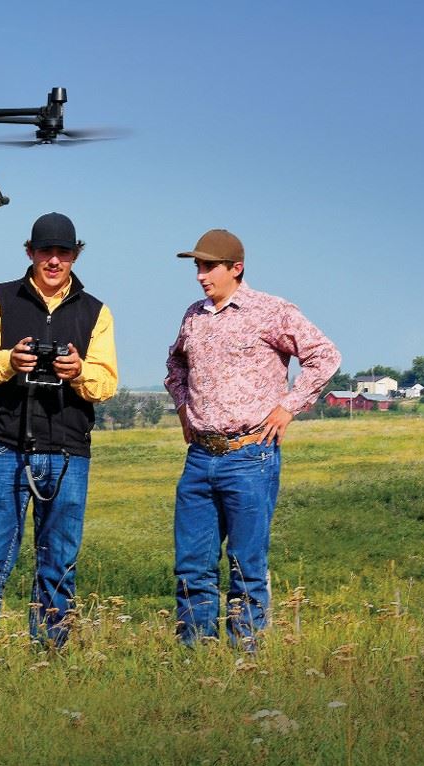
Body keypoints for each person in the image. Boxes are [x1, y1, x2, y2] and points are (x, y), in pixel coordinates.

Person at [0, 212, 118, 664]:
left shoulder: (95, 311)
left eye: (64, 252)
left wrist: (78, 370)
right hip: (5, 447)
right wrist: (9, 361)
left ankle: (52, 656)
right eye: (46, 252)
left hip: (67, 451)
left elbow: (107, 382)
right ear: (30, 253)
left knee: (59, 562)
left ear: (76, 254)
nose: (55, 260)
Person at [164, 228, 340, 650]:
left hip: (250, 456)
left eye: (209, 267)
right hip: (200, 456)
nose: (201, 275)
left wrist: (289, 407)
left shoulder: (271, 311)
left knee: (246, 564)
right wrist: (185, 408)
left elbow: (324, 356)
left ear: (236, 268)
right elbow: (175, 367)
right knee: (192, 565)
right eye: (198, 267)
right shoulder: (194, 315)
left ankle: (246, 655)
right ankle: (196, 655)